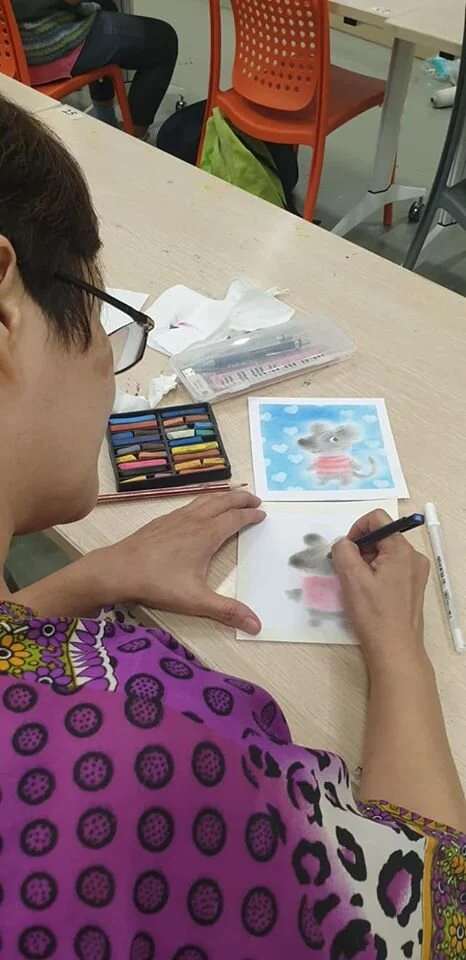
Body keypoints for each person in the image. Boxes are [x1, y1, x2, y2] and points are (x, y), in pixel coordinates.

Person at [0, 94, 464, 960]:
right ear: (6, 307)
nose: (107, 362)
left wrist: (92, 576)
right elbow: (435, 918)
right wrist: (401, 652)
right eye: (103, 316)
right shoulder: (143, 767)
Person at [12, 0, 178, 138]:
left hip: (10, 49)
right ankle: (134, 140)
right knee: (163, 41)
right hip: (42, 47)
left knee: (106, 5)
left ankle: (104, 117)